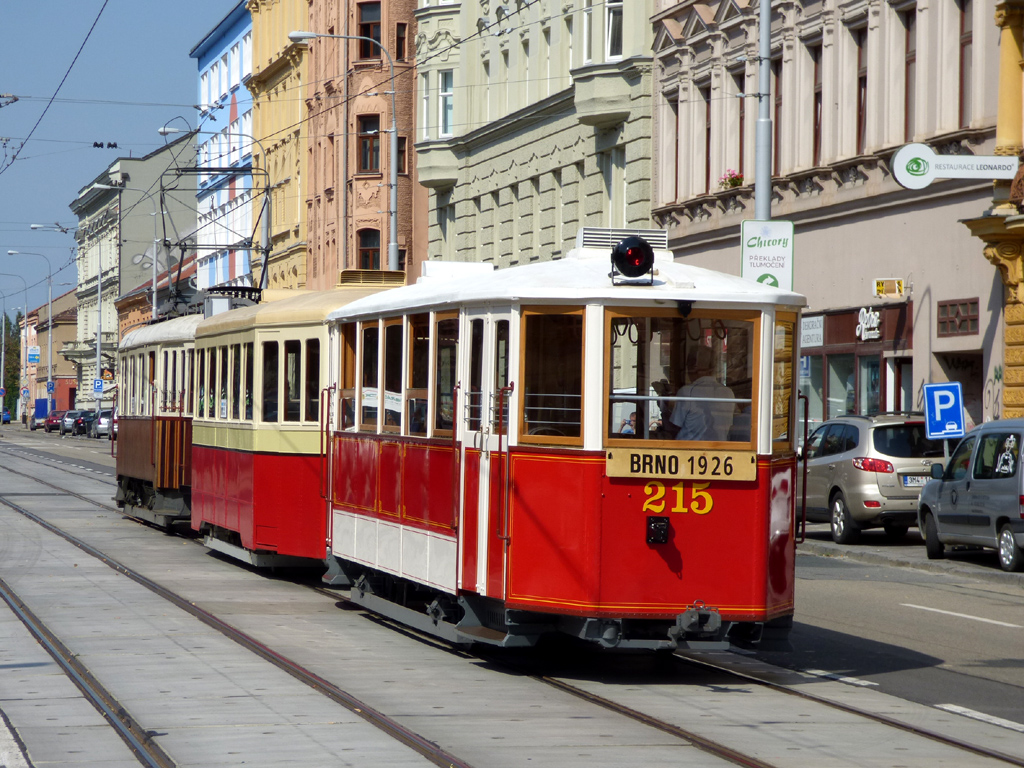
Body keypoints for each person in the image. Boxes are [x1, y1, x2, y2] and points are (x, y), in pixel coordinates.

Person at [670, 346, 735, 441]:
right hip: (720, 449)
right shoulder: (728, 392)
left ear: (694, 368)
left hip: (688, 450)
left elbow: (675, 427)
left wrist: (665, 408)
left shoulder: (687, 392)